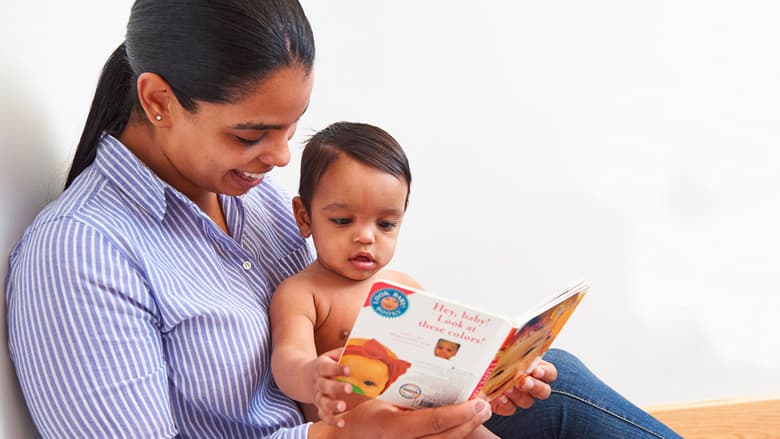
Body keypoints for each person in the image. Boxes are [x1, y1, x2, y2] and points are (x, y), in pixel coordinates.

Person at [4, 1, 682, 438]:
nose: (278, 158)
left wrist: (472, 373)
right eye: (250, 134)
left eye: (292, 127)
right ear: (157, 100)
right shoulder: (81, 255)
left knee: (550, 377)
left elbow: (361, 335)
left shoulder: (254, 200)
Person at [269, 122, 497, 438]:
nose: (366, 236)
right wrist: (312, 376)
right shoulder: (303, 293)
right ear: (304, 217)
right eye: (342, 220)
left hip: (423, 420)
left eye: (386, 224)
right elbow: (288, 358)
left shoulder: (404, 286)